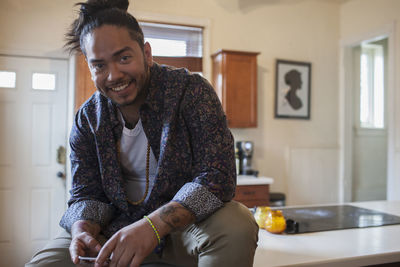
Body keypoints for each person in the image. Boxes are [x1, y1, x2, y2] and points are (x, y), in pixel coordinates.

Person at [26, 0, 258, 267]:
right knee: (45, 262)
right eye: (99, 65)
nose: (113, 75)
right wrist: (81, 229)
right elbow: (86, 193)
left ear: (146, 53)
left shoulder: (190, 92)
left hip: (181, 230)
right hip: (113, 230)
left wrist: (153, 226)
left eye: (124, 58)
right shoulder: (87, 118)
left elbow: (218, 177)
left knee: (238, 223)